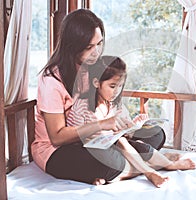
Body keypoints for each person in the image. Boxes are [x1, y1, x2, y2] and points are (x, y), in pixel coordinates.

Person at [31, 9, 168, 186]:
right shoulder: (52, 80)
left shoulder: (93, 69)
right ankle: (143, 165)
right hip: (58, 150)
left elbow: (106, 103)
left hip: (95, 140)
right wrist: (104, 124)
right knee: (110, 162)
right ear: (72, 46)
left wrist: (125, 124)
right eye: (89, 47)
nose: (96, 52)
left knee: (156, 135)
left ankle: (122, 168)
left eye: (99, 44)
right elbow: (57, 137)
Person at [67, 55, 196, 187]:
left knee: (155, 133)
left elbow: (127, 133)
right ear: (96, 83)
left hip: (122, 150)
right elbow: (73, 140)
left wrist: (133, 126)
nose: (116, 92)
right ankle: (157, 167)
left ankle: (121, 173)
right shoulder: (81, 107)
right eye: (112, 86)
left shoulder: (115, 105)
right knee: (121, 144)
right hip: (97, 155)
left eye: (120, 86)